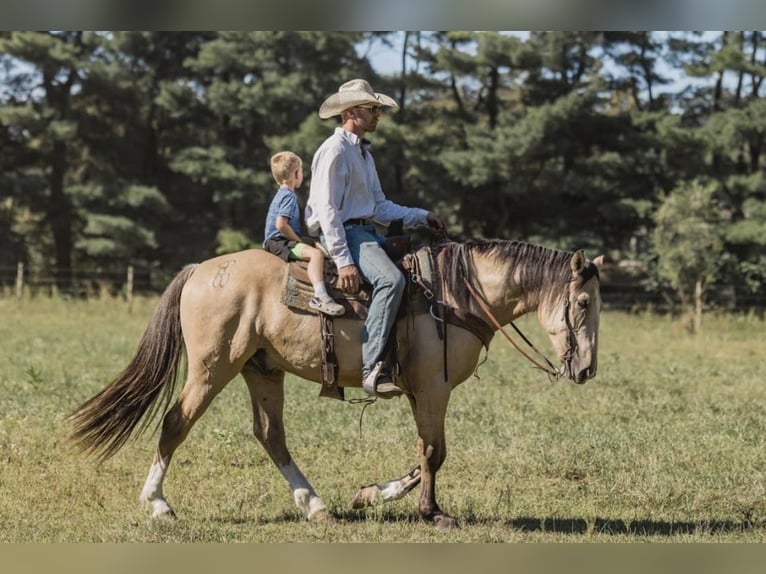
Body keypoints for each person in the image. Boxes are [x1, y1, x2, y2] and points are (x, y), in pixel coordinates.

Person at [306, 79, 447, 399]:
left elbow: (380, 207)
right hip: (346, 233)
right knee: (391, 281)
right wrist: (343, 261)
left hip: (367, 231)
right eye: (373, 109)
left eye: (378, 109)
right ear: (352, 112)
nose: (378, 114)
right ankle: (372, 368)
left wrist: (422, 216)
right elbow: (328, 212)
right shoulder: (335, 150)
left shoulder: (363, 154)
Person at [264, 151, 345, 317]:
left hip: (278, 240)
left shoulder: (281, 194)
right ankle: (320, 296)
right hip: (280, 241)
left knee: (317, 246)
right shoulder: (289, 196)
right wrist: (298, 240)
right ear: (296, 174)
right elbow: (281, 225)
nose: (302, 175)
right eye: (301, 171)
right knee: (316, 255)